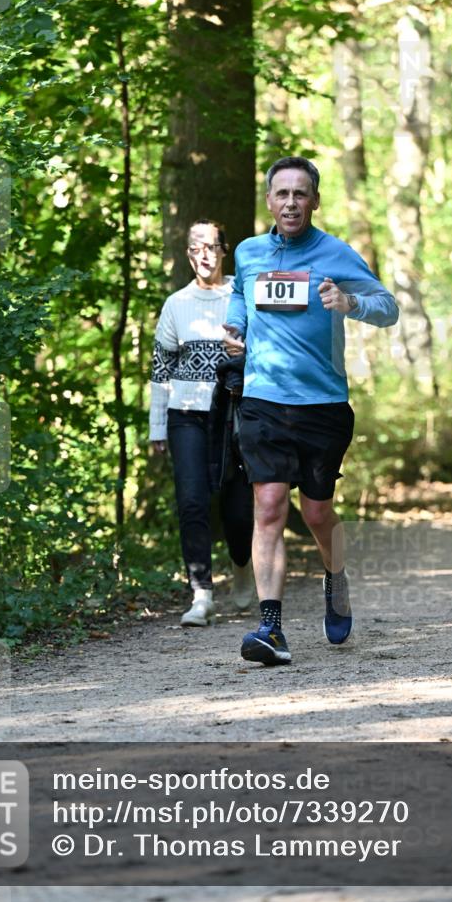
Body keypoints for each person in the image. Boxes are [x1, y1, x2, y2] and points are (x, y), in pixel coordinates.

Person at [223, 156, 399, 665]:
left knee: (317, 513)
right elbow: (240, 296)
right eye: (282, 194)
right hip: (262, 400)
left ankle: (335, 575)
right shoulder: (250, 252)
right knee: (270, 505)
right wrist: (236, 330)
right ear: (270, 201)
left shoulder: (335, 253)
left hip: (322, 404)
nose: (291, 202)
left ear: (315, 201)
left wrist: (350, 303)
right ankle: (270, 628)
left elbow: (388, 306)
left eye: (301, 194)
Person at [150, 220, 255, 626]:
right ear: (188, 254)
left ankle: (243, 565)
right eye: (195, 248)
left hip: (234, 413)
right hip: (187, 417)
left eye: (210, 246)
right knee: (192, 502)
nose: (203, 255)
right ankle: (202, 595)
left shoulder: (241, 296)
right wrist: (157, 428)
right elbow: (161, 371)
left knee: (238, 510)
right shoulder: (176, 304)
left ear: (224, 250)